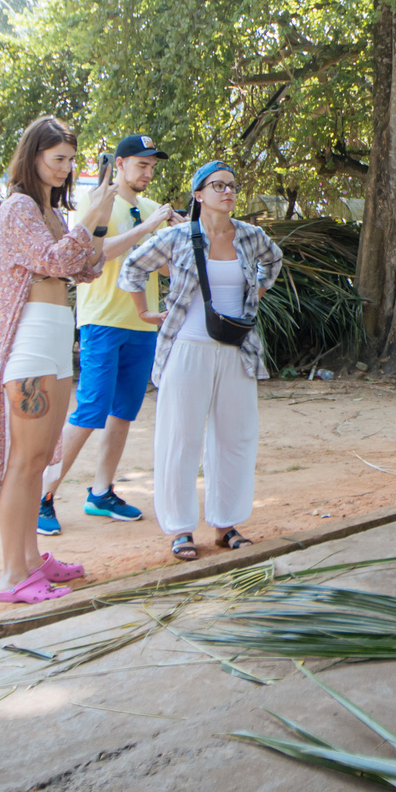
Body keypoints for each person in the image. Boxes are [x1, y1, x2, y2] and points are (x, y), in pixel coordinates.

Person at [0, 115, 120, 602]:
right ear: (33, 156)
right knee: (23, 460)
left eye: (70, 160)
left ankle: (31, 560)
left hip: (59, 332)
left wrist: (98, 217)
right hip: (31, 337)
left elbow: (87, 266)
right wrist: (87, 220)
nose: (65, 168)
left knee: (41, 458)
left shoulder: (54, 212)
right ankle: (11, 576)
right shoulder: (19, 207)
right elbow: (58, 261)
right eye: (57, 158)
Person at [120, 162, 282, 562]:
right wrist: (143, 312)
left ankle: (226, 524)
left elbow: (273, 261)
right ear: (198, 194)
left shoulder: (250, 235)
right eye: (217, 185)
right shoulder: (177, 237)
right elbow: (132, 266)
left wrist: (256, 292)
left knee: (236, 436)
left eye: (231, 185)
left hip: (236, 349)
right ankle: (180, 529)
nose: (226, 191)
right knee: (180, 437)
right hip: (187, 347)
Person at [38, 134, 175, 537]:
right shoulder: (97, 201)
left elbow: (162, 268)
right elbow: (93, 254)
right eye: (141, 165)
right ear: (119, 164)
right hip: (101, 320)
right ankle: (44, 495)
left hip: (142, 322)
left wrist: (180, 238)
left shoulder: (151, 208)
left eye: (152, 167)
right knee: (90, 410)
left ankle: (101, 492)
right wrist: (149, 228)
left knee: (124, 412)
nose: (148, 173)